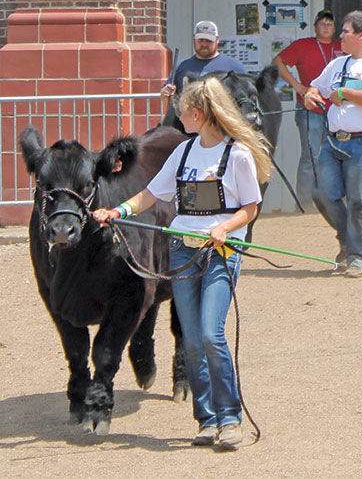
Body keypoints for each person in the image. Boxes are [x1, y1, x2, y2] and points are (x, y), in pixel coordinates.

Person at [92, 75, 273, 450]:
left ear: (197, 113)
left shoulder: (236, 154)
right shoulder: (184, 152)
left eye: (182, 114)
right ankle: (206, 419)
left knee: (211, 333)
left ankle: (230, 418)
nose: (179, 120)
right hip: (183, 249)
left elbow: (250, 208)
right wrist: (117, 210)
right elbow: (151, 194)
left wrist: (225, 227)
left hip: (221, 252)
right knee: (191, 339)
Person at [303, 11, 362, 278]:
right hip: (334, 143)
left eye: (345, 31)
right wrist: (311, 96)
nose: (340, 35)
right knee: (322, 193)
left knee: (359, 202)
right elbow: (315, 88)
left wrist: (344, 93)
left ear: (361, 35)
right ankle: (348, 240)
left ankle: (358, 258)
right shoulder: (337, 65)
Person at [273, 9, 345, 208]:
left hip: (337, 110)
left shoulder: (342, 47)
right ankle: (304, 204)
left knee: (338, 155)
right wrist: (297, 86)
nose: (326, 27)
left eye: (330, 24)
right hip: (310, 109)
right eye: (322, 24)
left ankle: (333, 202)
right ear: (315, 27)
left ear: (335, 28)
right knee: (310, 156)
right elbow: (278, 62)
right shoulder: (303, 45)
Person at [160, 20, 246, 101]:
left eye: (209, 40)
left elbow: (247, 94)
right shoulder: (181, 67)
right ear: (194, 39)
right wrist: (165, 92)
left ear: (217, 39)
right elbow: (163, 95)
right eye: (200, 40)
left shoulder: (234, 67)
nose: (204, 44)